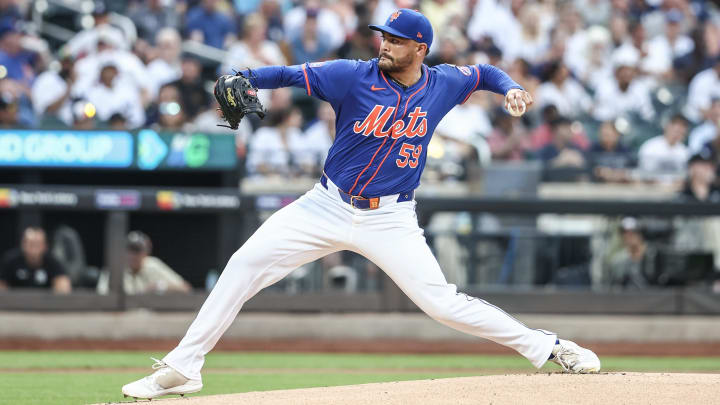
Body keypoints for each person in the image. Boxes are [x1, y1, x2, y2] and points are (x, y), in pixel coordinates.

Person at [121, 9, 600, 400]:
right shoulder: (350, 75)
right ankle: (185, 367)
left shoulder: (444, 83)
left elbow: (484, 73)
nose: (385, 45)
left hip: (391, 217)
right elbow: (288, 74)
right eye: (383, 37)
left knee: (442, 304)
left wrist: (510, 88)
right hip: (324, 205)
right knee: (244, 264)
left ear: (420, 49)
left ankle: (552, 347)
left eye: (395, 40)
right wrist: (244, 75)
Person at [96, 231, 191, 295]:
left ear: (146, 252)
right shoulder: (115, 267)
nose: (131, 255)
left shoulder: (152, 265)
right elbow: (101, 297)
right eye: (128, 249)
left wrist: (160, 286)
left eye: (136, 250)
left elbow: (186, 288)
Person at [0, 227, 72, 293]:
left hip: (45, 304)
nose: (34, 249)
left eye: (38, 244)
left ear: (45, 246)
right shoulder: (10, 260)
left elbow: (64, 288)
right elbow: (2, 287)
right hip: (14, 304)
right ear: (23, 244)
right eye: (31, 244)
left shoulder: (53, 262)